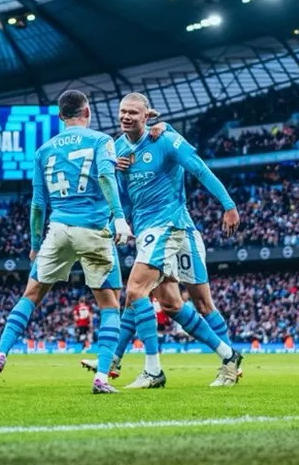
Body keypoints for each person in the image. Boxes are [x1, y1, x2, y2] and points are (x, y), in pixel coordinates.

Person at [0, 90, 132, 395]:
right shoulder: (101, 141)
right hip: (94, 229)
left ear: (60, 116)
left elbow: (37, 204)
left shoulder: (44, 150)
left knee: (30, 295)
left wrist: (34, 243)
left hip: (57, 229)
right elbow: (106, 177)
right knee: (110, 305)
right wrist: (120, 217)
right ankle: (101, 377)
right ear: (88, 111)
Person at [114, 92, 242, 389]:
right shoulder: (119, 149)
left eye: (133, 112)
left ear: (147, 116)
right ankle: (229, 358)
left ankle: (223, 363)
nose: (126, 116)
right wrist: (124, 220)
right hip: (152, 231)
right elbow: (128, 195)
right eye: (123, 111)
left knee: (198, 302)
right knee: (170, 304)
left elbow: (198, 168)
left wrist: (228, 204)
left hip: (173, 227)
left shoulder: (166, 139)